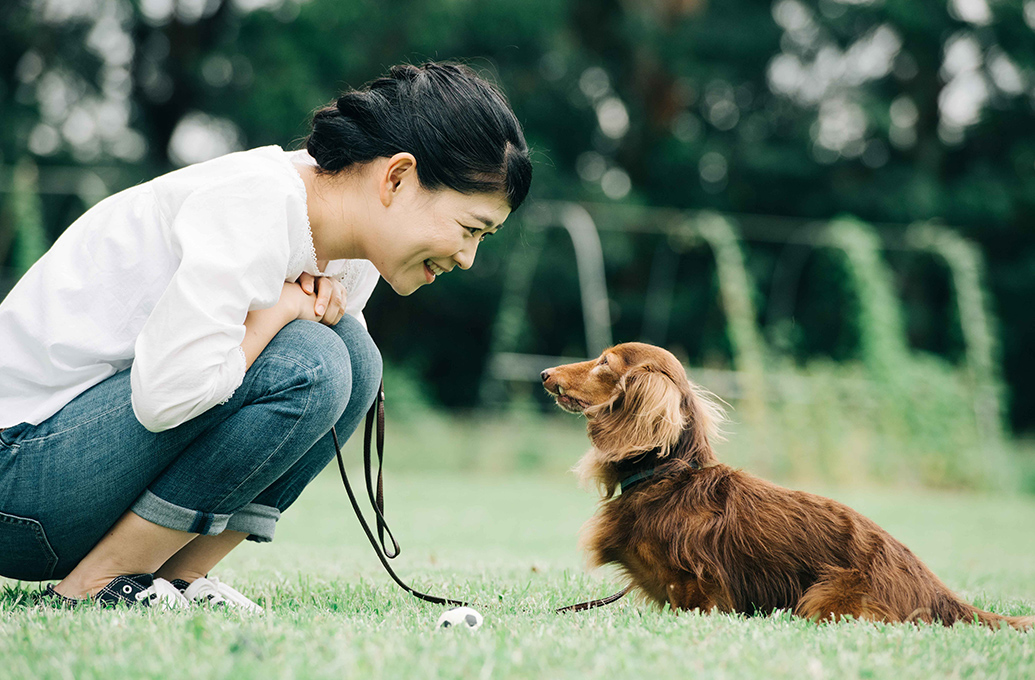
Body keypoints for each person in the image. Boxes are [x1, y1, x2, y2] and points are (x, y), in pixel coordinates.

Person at [0, 61, 532, 609]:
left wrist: (287, 316)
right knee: (314, 362)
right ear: (396, 178)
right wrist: (275, 313)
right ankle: (96, 584)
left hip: (77, 480)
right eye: (469, 229)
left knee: (355, 358)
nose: (467, 259)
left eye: (482, 239)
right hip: (16, 478)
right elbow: (167, 397)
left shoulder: (357, 256)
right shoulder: (252, 203)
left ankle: (174, 577)